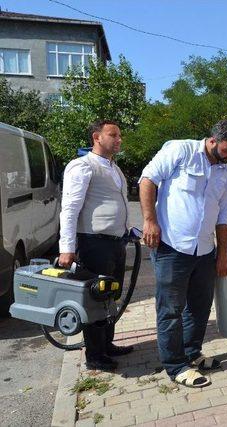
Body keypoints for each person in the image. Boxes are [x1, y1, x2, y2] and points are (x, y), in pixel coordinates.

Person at [138, 120, 227, 388]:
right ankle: (175, 366)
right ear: (213, 140)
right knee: (171, 310)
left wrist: (222, 254)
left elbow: (224, 215)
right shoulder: (181, 151)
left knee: (199, 307)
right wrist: (149, 220)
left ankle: (192, 353)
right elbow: (148, 179)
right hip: (172, 248)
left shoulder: (225, 174)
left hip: (205, 251)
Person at [59, 120, 134, 371]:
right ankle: (95, 355)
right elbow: (69, 209)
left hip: (115, 243)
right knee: (96, 298)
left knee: (111, 296)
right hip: (93, 244)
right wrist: (66, 248)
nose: (118, 139)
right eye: (113, 134)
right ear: (96, 137)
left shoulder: (114, 168)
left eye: (120, 135)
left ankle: (106, 345)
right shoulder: (82, 167)